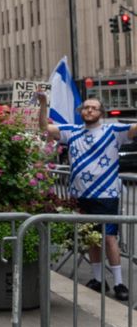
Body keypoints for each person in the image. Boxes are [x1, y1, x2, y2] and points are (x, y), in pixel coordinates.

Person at [40, 94, 137, 301]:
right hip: (80, 194)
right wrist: (42, 105)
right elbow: (44, 129)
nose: (89, 111)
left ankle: (119, 282)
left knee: (109, 238)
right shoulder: (71, 131)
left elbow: (134, 129)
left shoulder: (113, 131)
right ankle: (98, 279)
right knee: (91, 238)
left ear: (101, 113)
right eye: (86, 108)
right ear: (81, 112)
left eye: (94, 108)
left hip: (106, 194)